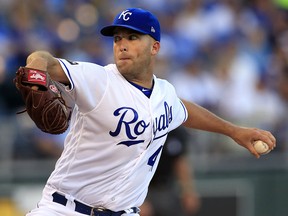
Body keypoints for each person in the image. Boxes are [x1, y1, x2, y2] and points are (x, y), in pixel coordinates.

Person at [22, 8, 276, 216]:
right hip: (64, 209)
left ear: (154, 47)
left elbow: (182, 109)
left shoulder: (164, 93)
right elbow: (42, 58)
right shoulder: (99, 79)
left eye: (132, 38)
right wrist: (35, 74)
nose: (122, 45)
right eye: (118, 38)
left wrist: (234, 131)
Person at [140, 126, 201, 216]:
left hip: (166, 187)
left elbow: (180, 161)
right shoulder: (142, 127)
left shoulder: (176, 129)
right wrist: (137, 201)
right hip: (142, 187)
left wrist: (188, 191)